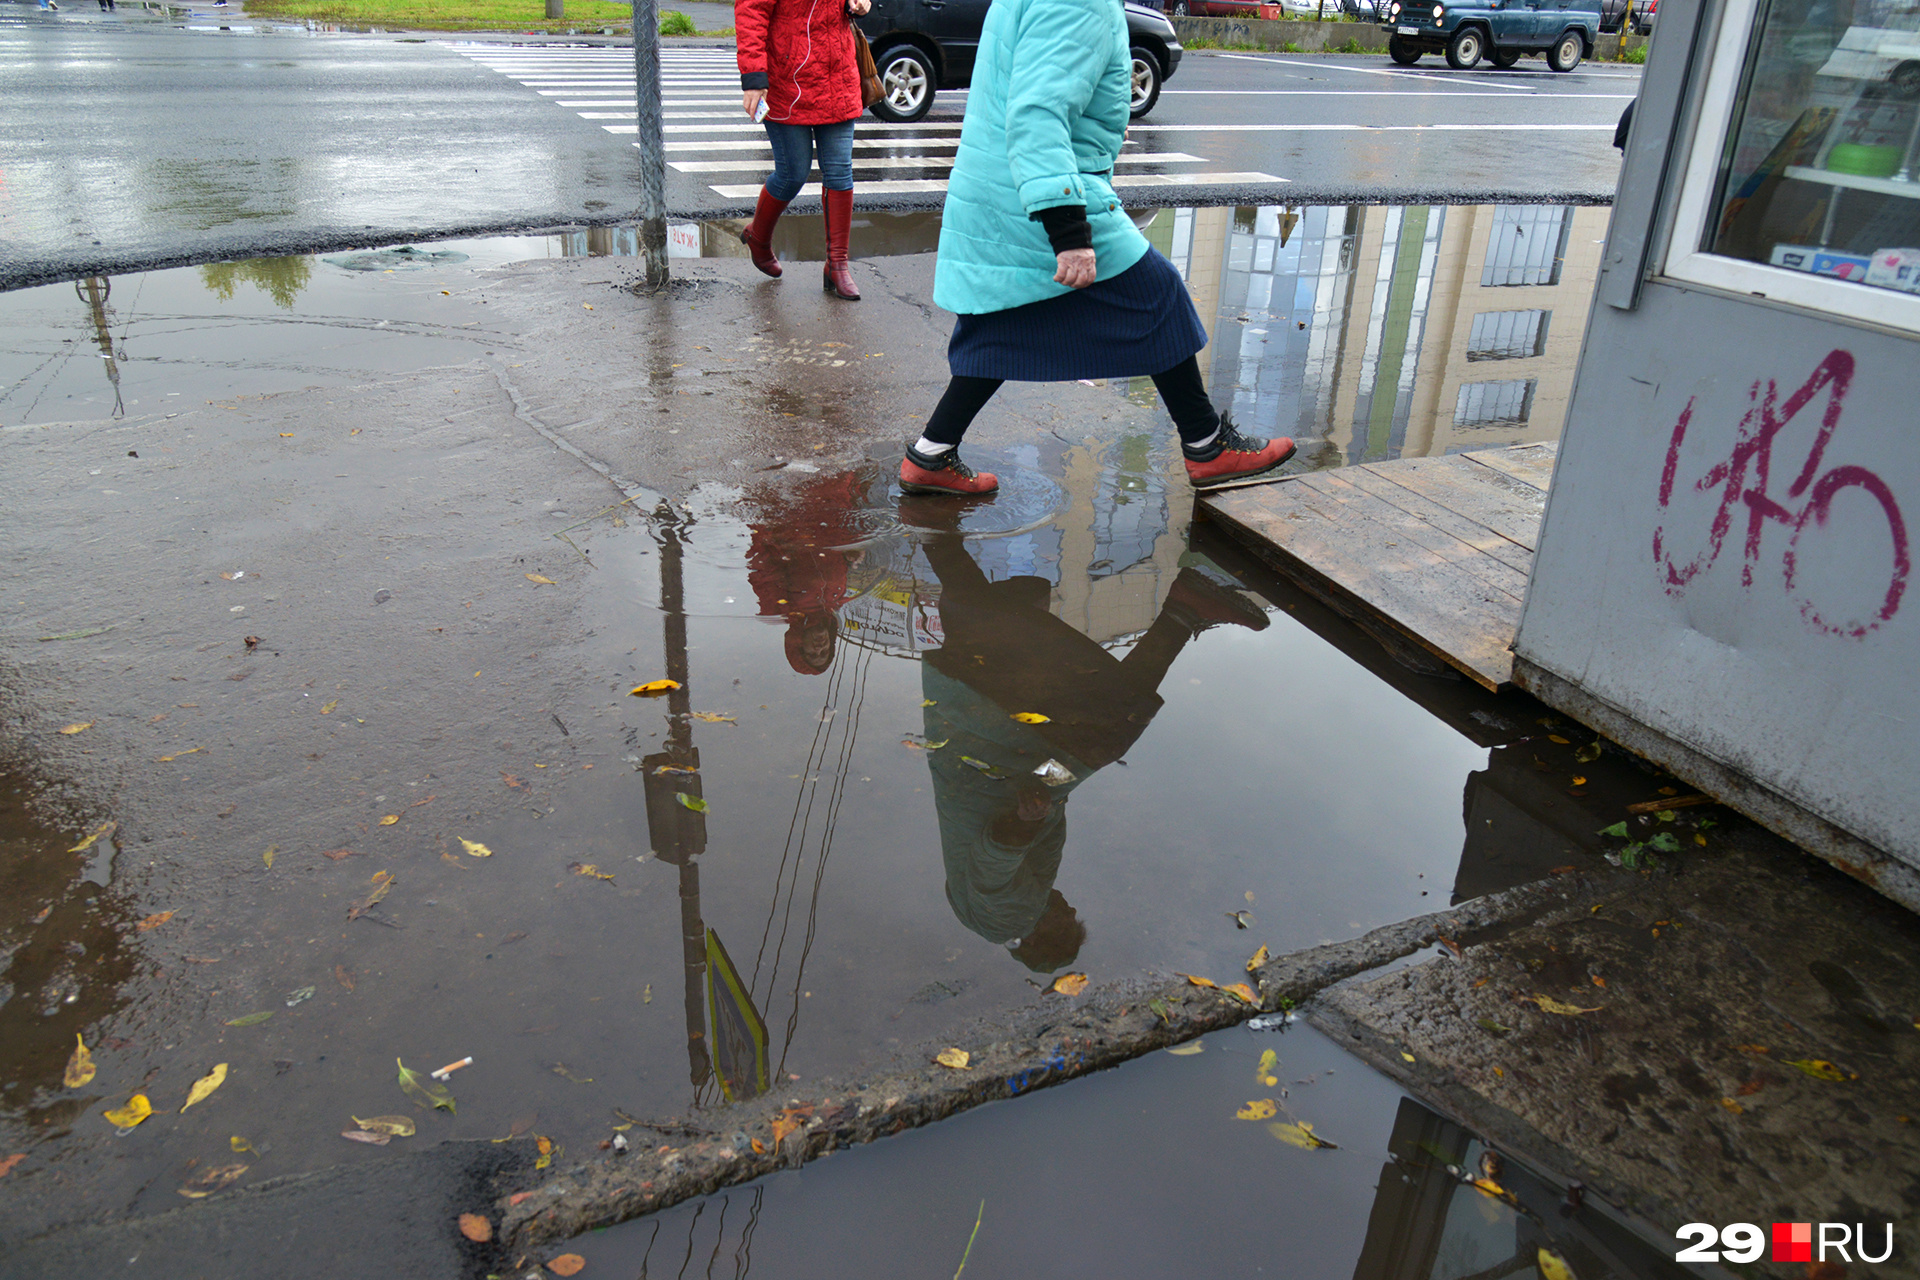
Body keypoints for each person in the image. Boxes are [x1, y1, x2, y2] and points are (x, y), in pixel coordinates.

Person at [898, 0, 1297, 499]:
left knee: (1001, 323)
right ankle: (1207, 445)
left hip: (1003, 186)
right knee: (1159, 296)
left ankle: (930, 454)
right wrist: (1069, 233)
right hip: (1039, 193)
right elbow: (1039, 114)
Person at [908, 499, 1271, 970]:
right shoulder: (989, 916)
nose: (1073, 911)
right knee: (988, 626)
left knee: (1104, 734)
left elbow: (992, 864)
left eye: (1069, 925)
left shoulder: (1005, 920)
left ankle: (1185, 608)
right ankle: (930, 518)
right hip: (993, 752)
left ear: (1043, 939)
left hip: (1003, 760)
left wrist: (1023, 822)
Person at [735, 0, 872, 300]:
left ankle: (837, 265)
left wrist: (861, 4)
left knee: (840, 170)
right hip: (787, 81)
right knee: (792, 173)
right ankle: (758, 237)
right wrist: (754, 79)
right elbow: (751, 12)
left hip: (838, 77)